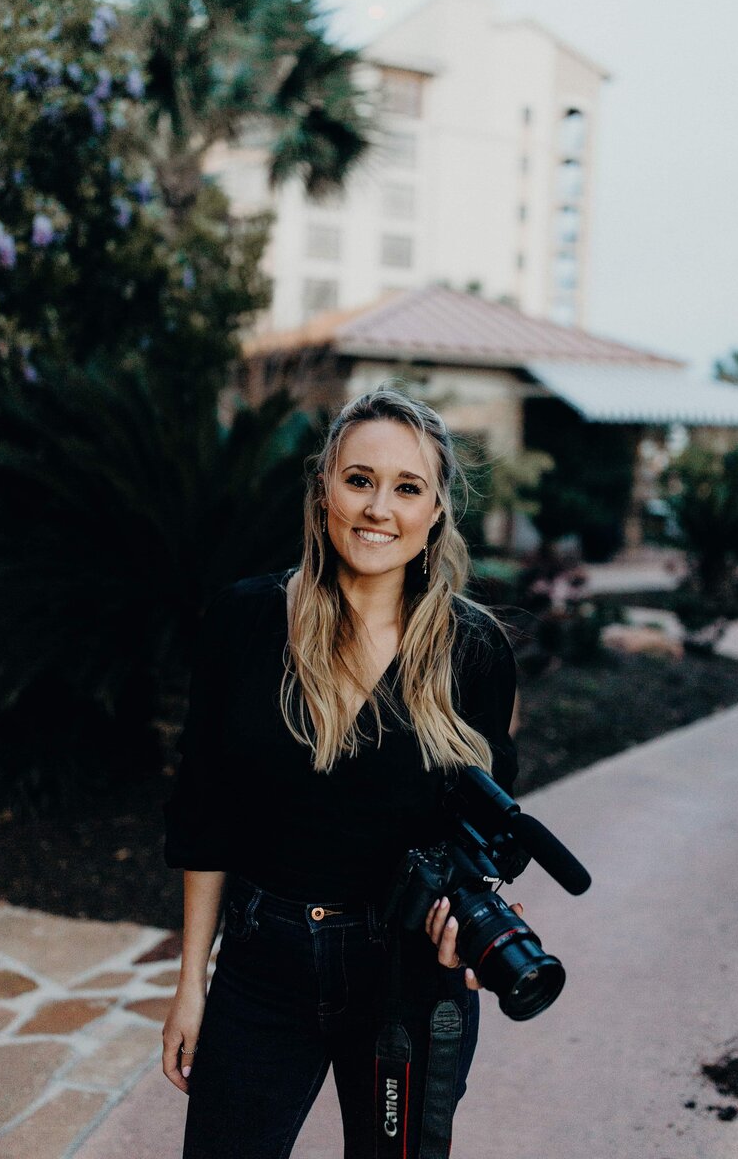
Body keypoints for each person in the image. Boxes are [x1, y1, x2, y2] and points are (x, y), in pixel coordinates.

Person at [161, 388, 523, 1159]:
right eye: (359, 480)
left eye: (407, 487)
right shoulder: (246, 620)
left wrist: (471, 911)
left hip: (412, 973)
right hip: (264, 963)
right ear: (323, 487)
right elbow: (204, 810)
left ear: (436, 512)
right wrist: (192, 983)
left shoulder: (476, 651)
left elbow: (490, 823)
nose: (377, 509)